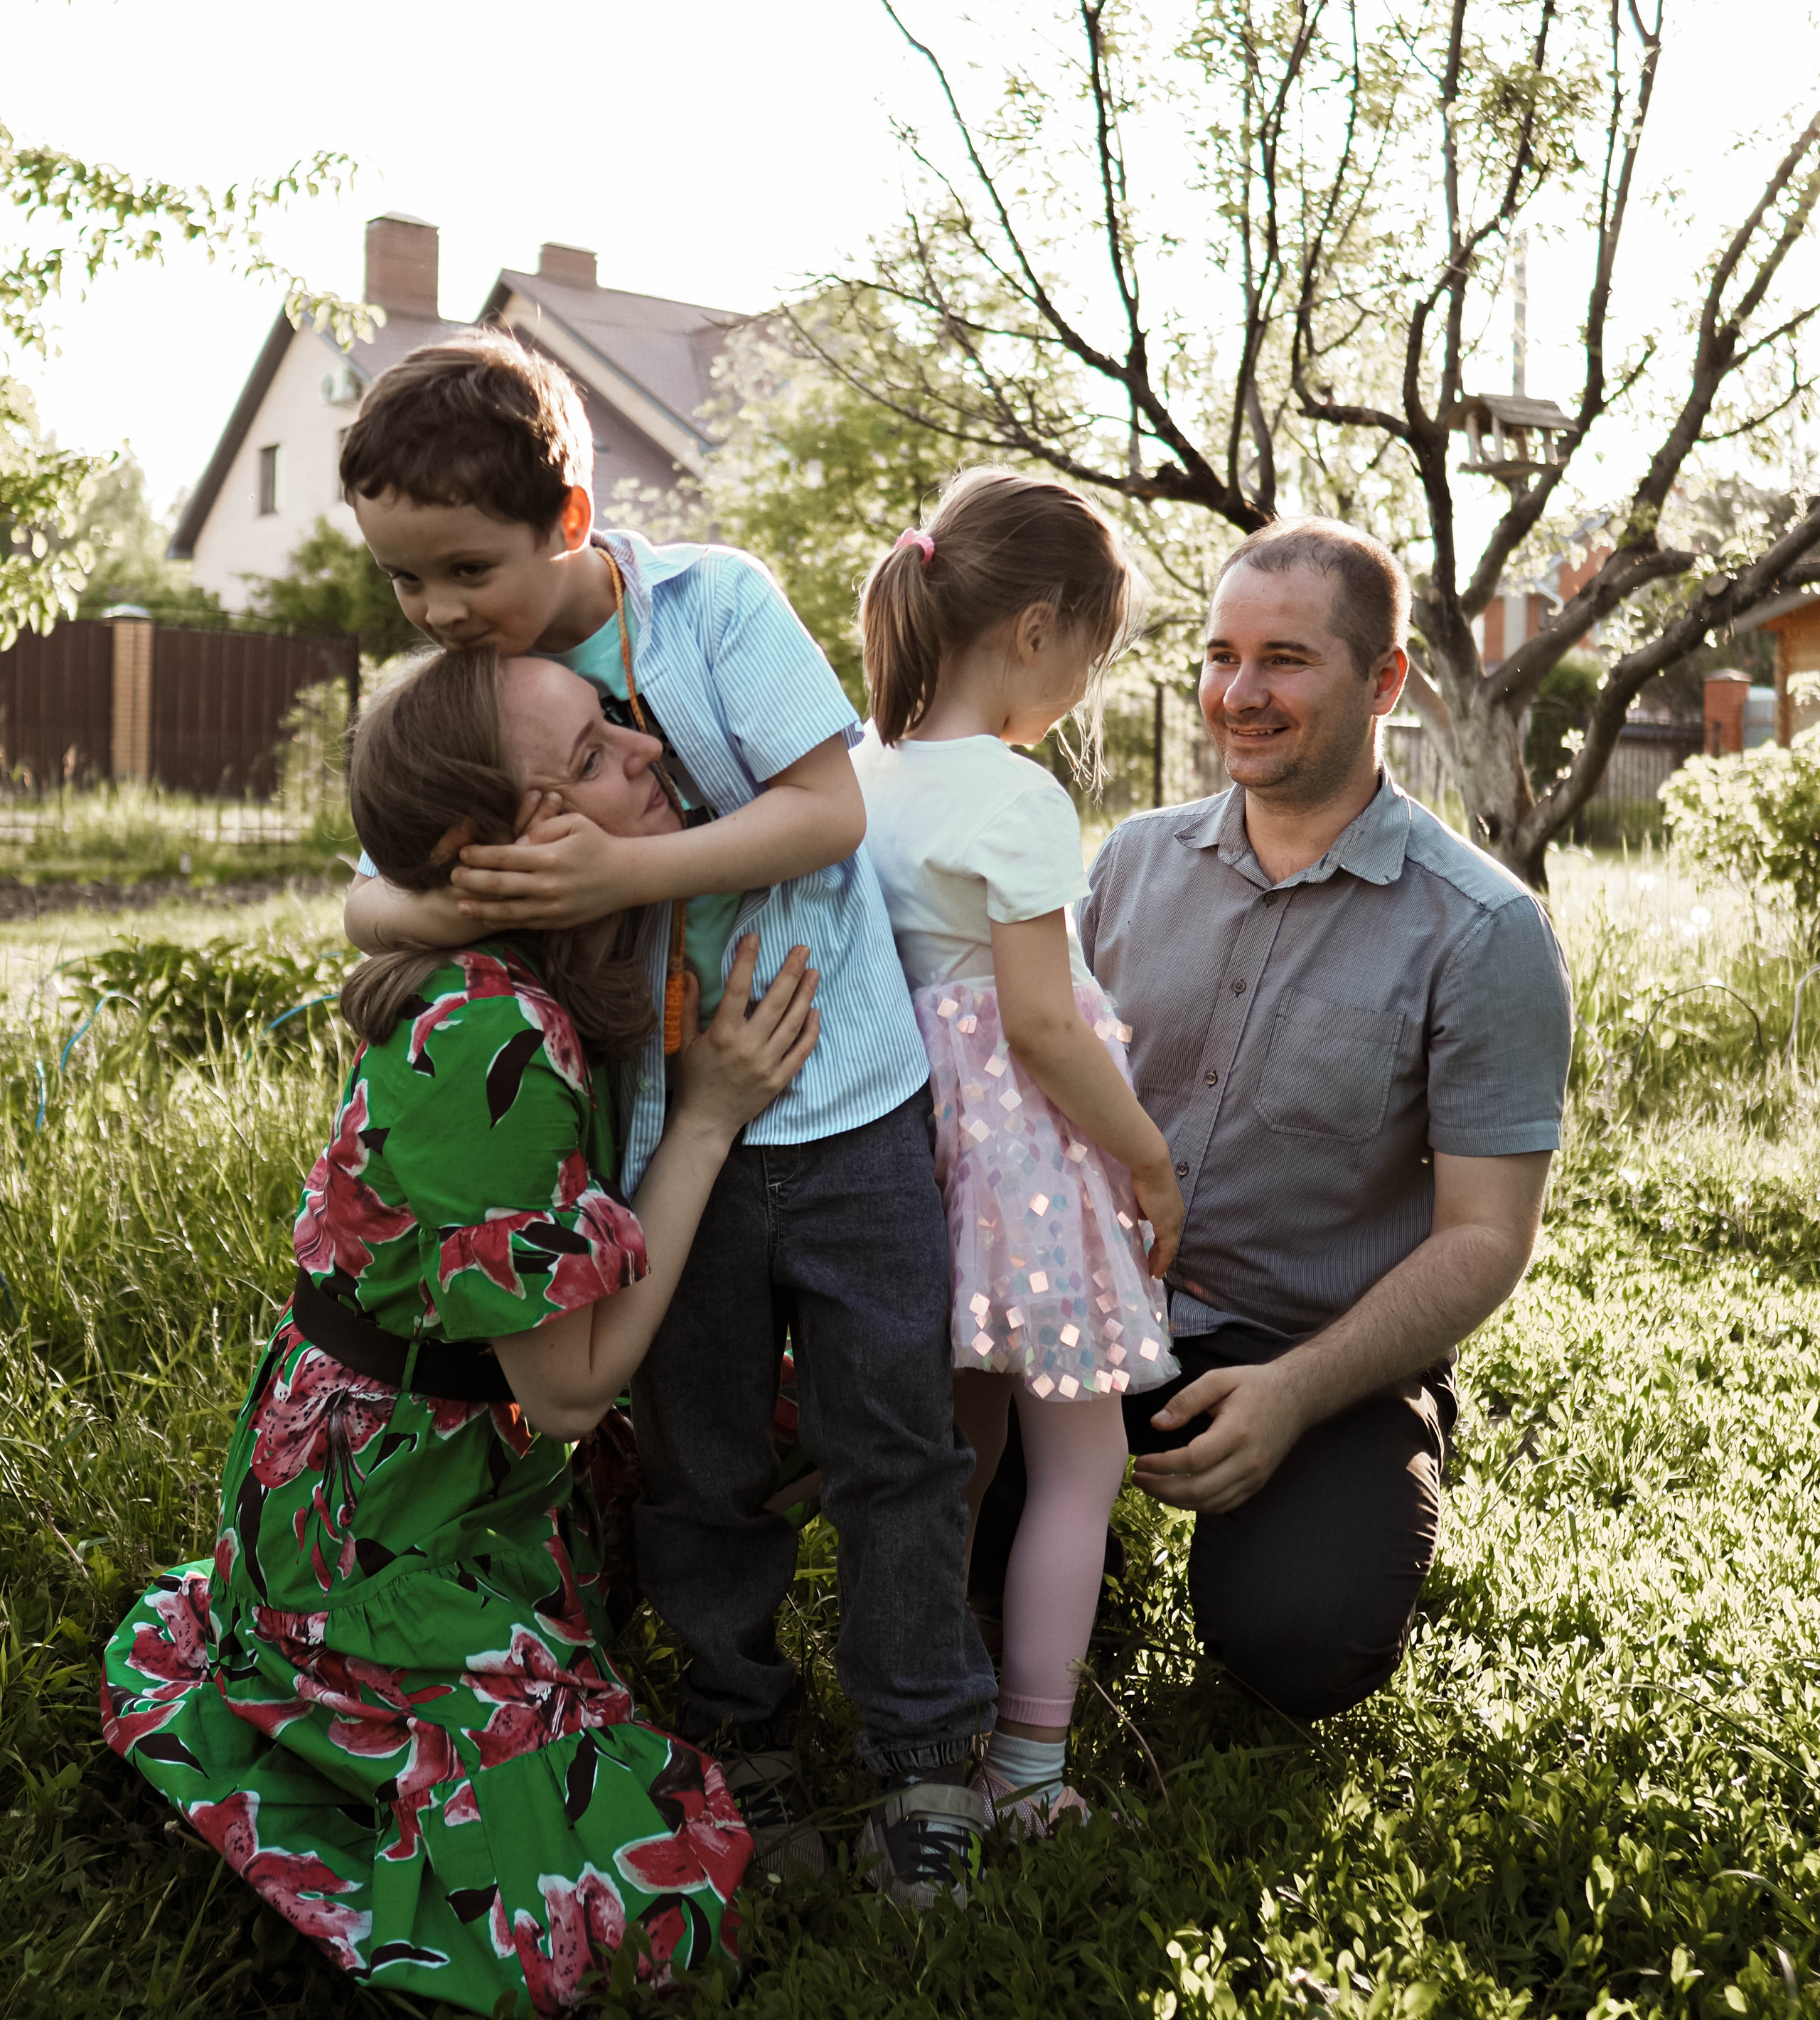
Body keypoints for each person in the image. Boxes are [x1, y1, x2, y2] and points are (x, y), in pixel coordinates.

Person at [336, 331, 997, 1903]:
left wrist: (624, 873)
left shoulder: (711, 608)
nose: (431, 612)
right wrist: (422, 917)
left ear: (565, 520)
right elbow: (377, 896)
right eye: (402, 582)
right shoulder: (481, 696)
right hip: (658, 1137)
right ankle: (737, 1729)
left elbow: (828, 807)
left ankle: (924, 1754)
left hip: (840, 1101)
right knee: (698, 1454)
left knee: (889, 1438)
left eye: (459, 571)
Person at [102, 646, 823, 2014]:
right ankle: (325, 1694)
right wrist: (715, 1111)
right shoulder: (483, 1033)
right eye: (594, 758)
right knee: (645, 1905)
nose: (649, 752)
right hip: (381, 1527)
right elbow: (569, 1388)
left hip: (460, 1465)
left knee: (794, 1408)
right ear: (487, 852)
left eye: (620, 722)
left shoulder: (549, 977)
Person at [973, 518, 1573, 1723]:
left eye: (1286, 660)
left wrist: (1295, 1392)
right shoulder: (1128, 865)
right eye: (1220, 655)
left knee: (1297, 1642)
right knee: (934, 1531)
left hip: (1310, 1348)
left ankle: (1283, 1505)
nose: (1239, 694)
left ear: (1385, 679)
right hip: (1089, 1310)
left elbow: (1485, 1237)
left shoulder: (1485, 931)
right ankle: (1071, 1530)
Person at [852, 470, 1187, 1829]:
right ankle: (1029, 1770)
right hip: (1021, 1167)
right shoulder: (1013, 795)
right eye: (1092, 661)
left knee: (957, 1457)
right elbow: (1044, 1028)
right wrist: (1153, 1164)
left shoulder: (857, 777)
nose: (1083, 691)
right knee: (1082, 1464)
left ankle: (924, 1714)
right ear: (1038, 630)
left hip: (895, 1152)